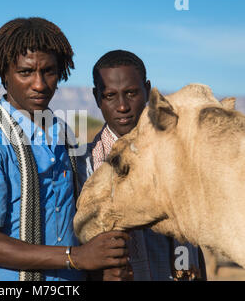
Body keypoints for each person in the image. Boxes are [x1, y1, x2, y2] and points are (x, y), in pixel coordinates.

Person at [0, 17, 131, 281]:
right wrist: (76, 258)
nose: (40, 84)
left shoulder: (65, 141)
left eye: (49, 71)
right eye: (25, 72)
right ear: (3, 74)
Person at [77, 49, 207, 281]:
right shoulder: (83, 167)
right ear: (97, 97)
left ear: (147, 90)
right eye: (110, 96)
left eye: (131, 93)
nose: (123, 106)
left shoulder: (178, 156)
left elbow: (191, 240)